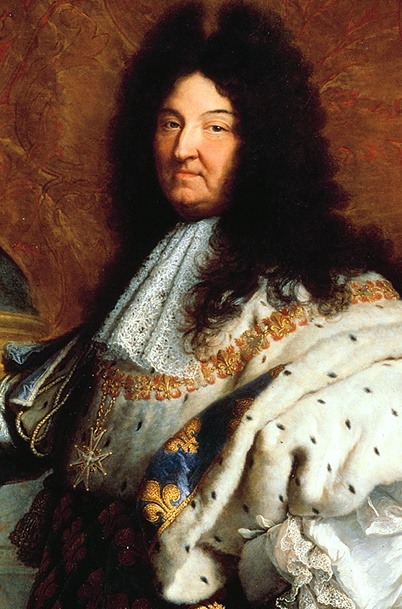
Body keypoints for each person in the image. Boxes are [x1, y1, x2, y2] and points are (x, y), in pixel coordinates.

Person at [0, 2, 401, 608]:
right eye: (170, 123)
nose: (184, 148)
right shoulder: (143, 282)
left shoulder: (328, 296)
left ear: (263, 143)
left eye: (216, 127)